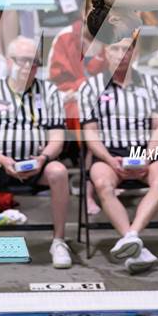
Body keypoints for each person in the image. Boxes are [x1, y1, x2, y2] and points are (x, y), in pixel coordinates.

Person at [0, 36, 72, 270]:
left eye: (34, 62)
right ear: (9, 61)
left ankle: (58, 242)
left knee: (58, 171)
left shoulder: (50, 92)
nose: (29, 66)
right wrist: (2, 160)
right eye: (23, 61)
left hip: (37, 164)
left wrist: (44, 158)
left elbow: (58, 136)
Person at [78, 35, 158, 274]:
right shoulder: (90, 88)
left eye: (127, 49)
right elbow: (90, 134)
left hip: (145, 151)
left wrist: (148, 158)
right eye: (115, 49)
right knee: (101, 182)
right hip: (109, 154)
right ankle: (135, 246)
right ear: (106, 53)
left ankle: (131, 236)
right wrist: (109, 159)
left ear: (135, 53)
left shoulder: (153, 85)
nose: (121, 54)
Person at [47, 15, 107, 214]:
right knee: (91, 123)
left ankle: (116, 176)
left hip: (104, 98)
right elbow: (55, 83)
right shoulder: (65, 37)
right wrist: (85, 88)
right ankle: (88, 194)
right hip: (72, 100)